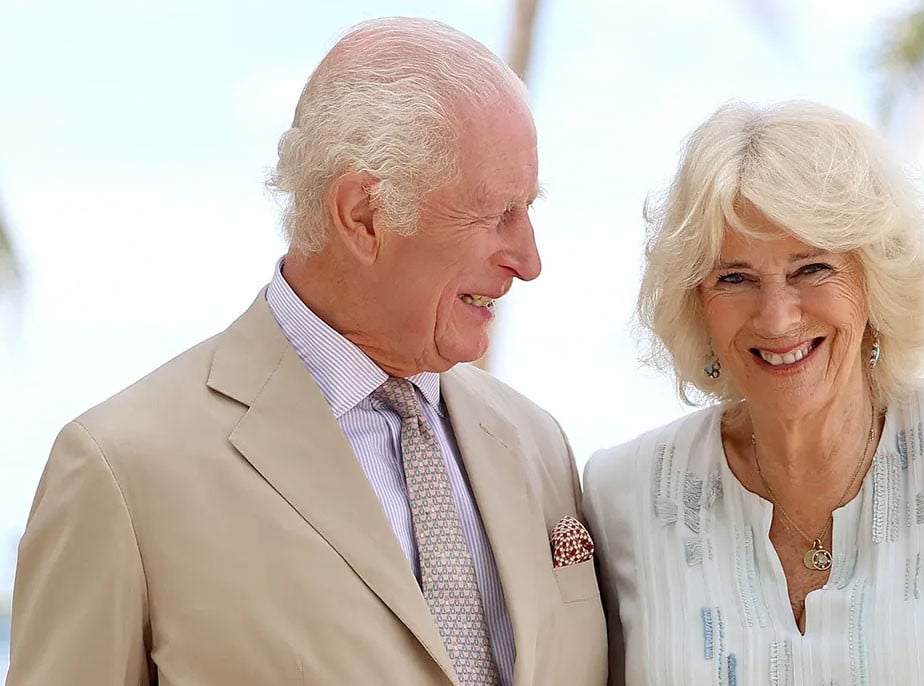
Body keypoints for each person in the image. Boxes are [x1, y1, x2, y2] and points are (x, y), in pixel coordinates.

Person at [8, 17, 606, 686]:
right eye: (497, 214)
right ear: (363, 215)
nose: (528, 261)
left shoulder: (536, 444)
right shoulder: (120, 471)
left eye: (529, 210)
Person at [583, 100, 924, 685]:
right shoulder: (625, 492)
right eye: (734, 277)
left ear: (875, 278)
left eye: (811, 269)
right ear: (696, 301)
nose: (777, 318)